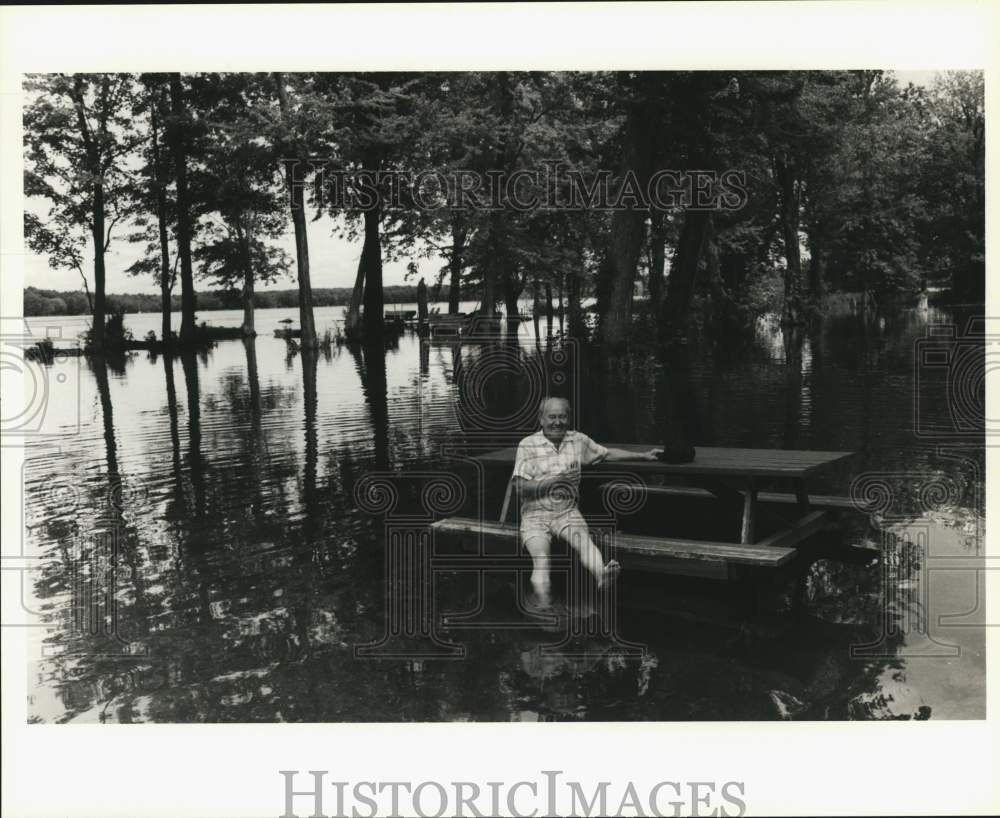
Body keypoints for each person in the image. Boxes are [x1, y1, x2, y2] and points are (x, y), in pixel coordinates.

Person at [512, 397, 662, 608]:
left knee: (584, 542)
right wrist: (557, 481)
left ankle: (603, 575)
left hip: (567, 511)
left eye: (562, 416)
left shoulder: (578, 441)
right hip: (534, 514)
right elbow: (520, 488)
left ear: (569, 417)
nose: (557, 422)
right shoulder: (527, 445)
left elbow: (607, 454)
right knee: (542, 558)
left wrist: (643, 456)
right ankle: (544, 605)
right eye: (552, 417)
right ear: (541, 419)